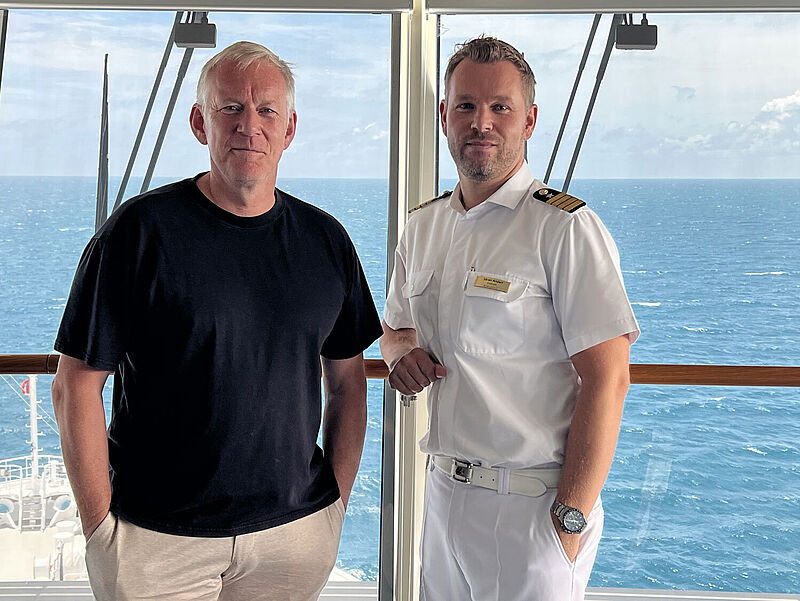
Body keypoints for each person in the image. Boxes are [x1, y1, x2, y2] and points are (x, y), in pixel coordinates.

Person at [51, 41, 382, 601]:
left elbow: (348, 383)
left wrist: (335, 504)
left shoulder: (325, 241)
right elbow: (74, 384)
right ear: (200, 123)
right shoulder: (138, 233)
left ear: (289, 128)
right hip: (155, 538)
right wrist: (100, 528)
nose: (249, 125)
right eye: (231, 108)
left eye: (266, 110)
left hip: (293, 535)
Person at [380, 36, 640, 601]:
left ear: (530, 120)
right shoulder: (422, 227)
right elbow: (396, 325)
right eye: (467, 106)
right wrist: (399, 355)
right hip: (444, 493)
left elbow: (609, 377)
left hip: (532, 506)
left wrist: (570, 516)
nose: (482, 123)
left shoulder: (564, 228)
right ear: (445, 116)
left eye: (501, 107)